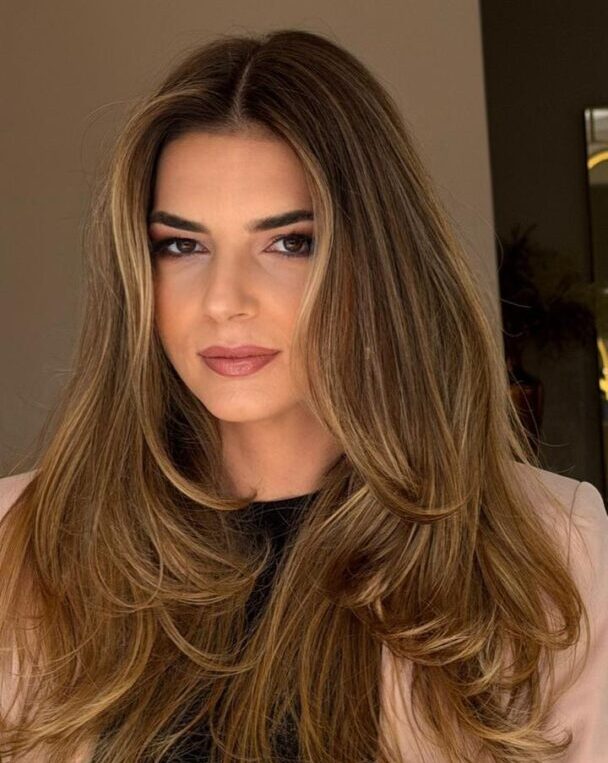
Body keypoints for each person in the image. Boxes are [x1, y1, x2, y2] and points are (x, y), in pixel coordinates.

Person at [0, 28, 606, 763]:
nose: (224, 301)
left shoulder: (552, 547)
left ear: (377, 264)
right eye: (182, 245)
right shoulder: (22, 543)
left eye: (290, 242)